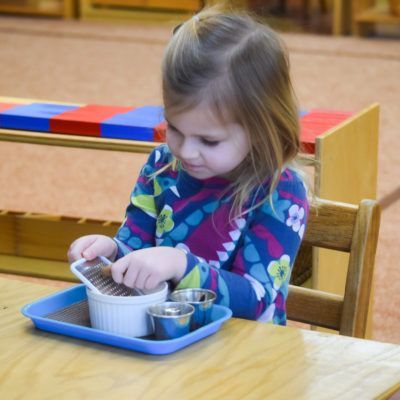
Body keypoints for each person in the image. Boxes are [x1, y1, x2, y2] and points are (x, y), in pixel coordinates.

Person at [68, 6, 309, 325]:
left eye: (209, 141)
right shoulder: (162, 166)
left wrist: (181, 264)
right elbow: (137, 251)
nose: (185, 150)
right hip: (165, 342)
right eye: (174, 129)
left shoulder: (280, 192)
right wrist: (111, 253)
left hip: (244, 356)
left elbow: (257, 300)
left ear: (261, 129)